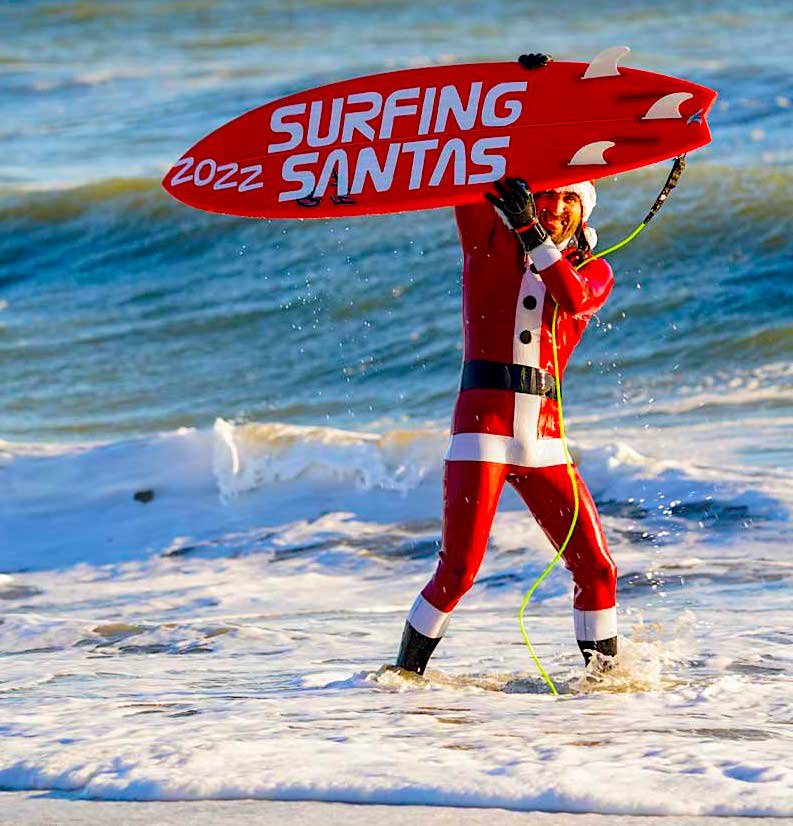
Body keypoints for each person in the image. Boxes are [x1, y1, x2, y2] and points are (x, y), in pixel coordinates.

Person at [394, 54, 618, 676]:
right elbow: (475, 164)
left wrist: (533, 234)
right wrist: (527, 93)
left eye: (567, 202)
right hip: (482, 429)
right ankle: (403, 678)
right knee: (458, 572)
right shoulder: (484, 241)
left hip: (546, 440)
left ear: (582, 212)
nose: (553, 208)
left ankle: (603, 688)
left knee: (597, 568)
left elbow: (571, 297)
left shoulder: (595, 272)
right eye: (545, 199)